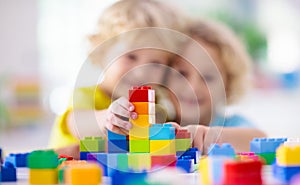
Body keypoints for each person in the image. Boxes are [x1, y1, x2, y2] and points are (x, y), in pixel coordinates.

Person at [49, 0, 187, 155]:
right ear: (103, 52)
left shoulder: (157, 105)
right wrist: (107, 118)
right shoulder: (85, 95)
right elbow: (77, 123)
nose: (141, 72)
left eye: (155, 63)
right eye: (131, 57)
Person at [167, 19, 266, 153]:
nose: (193, 87)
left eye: (208, 77)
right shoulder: (158, 123)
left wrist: (210, 136)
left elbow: (259, 140)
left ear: (228, 85)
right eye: (182, 73)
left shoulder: (233, 123)